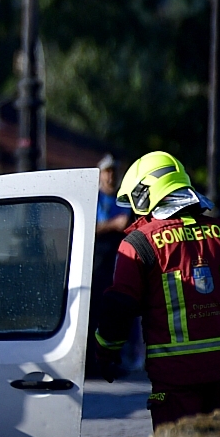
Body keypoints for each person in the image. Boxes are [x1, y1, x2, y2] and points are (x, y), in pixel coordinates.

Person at [92, 151, 220, 430]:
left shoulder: (139, 244)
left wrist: (105, 351)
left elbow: (119, 305)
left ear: (146, 194)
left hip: (175, 378)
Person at [87, 155, 133, 378]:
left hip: (116, 264)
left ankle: (111, 360)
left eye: (114, 172)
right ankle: (91, 363)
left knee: (115, 314)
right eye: (107, 172)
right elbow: (87, 227)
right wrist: (112, 225)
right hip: (95, 265)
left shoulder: (123, 201)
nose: (111, 176)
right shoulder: (92, 199)